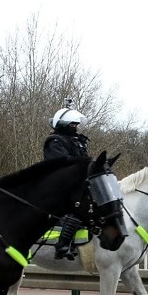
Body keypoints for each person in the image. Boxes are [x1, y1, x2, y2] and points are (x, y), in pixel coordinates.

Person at [43, 102, 90, 259]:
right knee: (78, 208)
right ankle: (63, 245)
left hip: (79, 184)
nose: (75, 127)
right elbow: (62, 163)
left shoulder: (78, 141)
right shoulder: (54, 142)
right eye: (72, 124)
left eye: (76, 125)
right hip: (61, 186)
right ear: (63, 125)